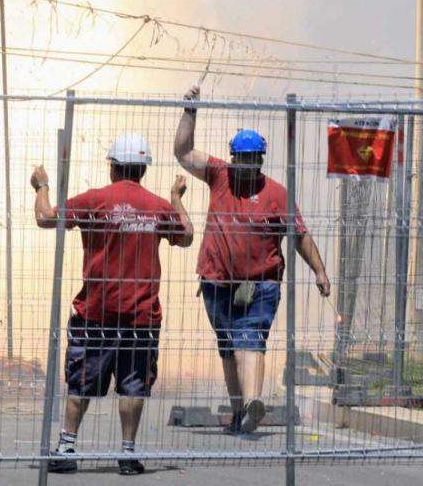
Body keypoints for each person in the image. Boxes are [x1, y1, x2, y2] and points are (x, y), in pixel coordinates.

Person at [31, 133, 193, 475]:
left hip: (96, 312)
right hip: (142, 316)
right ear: (143, 170)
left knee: (81, 381)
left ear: (113, 168)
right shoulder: (157, 207)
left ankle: (66, 448)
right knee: (133, 384)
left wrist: (41, 186)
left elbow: (45, 217)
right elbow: (187, 235)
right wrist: (176, 198)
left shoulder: (94, 201)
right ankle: (128, 453)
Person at [174, 87, 330, 434]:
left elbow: (299, 235)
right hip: (217, 280)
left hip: (261, 283)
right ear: (232, 158)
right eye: (241, 159)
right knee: (229, 345)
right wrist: (190, 111)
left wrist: (319, 270)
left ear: (260, 160)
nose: (245, 166)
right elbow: (182, 152)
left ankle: (253, 402)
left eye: (252, 160)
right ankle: (239, 410)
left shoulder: (276, 194)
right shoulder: (218, 175)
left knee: (252, 337)